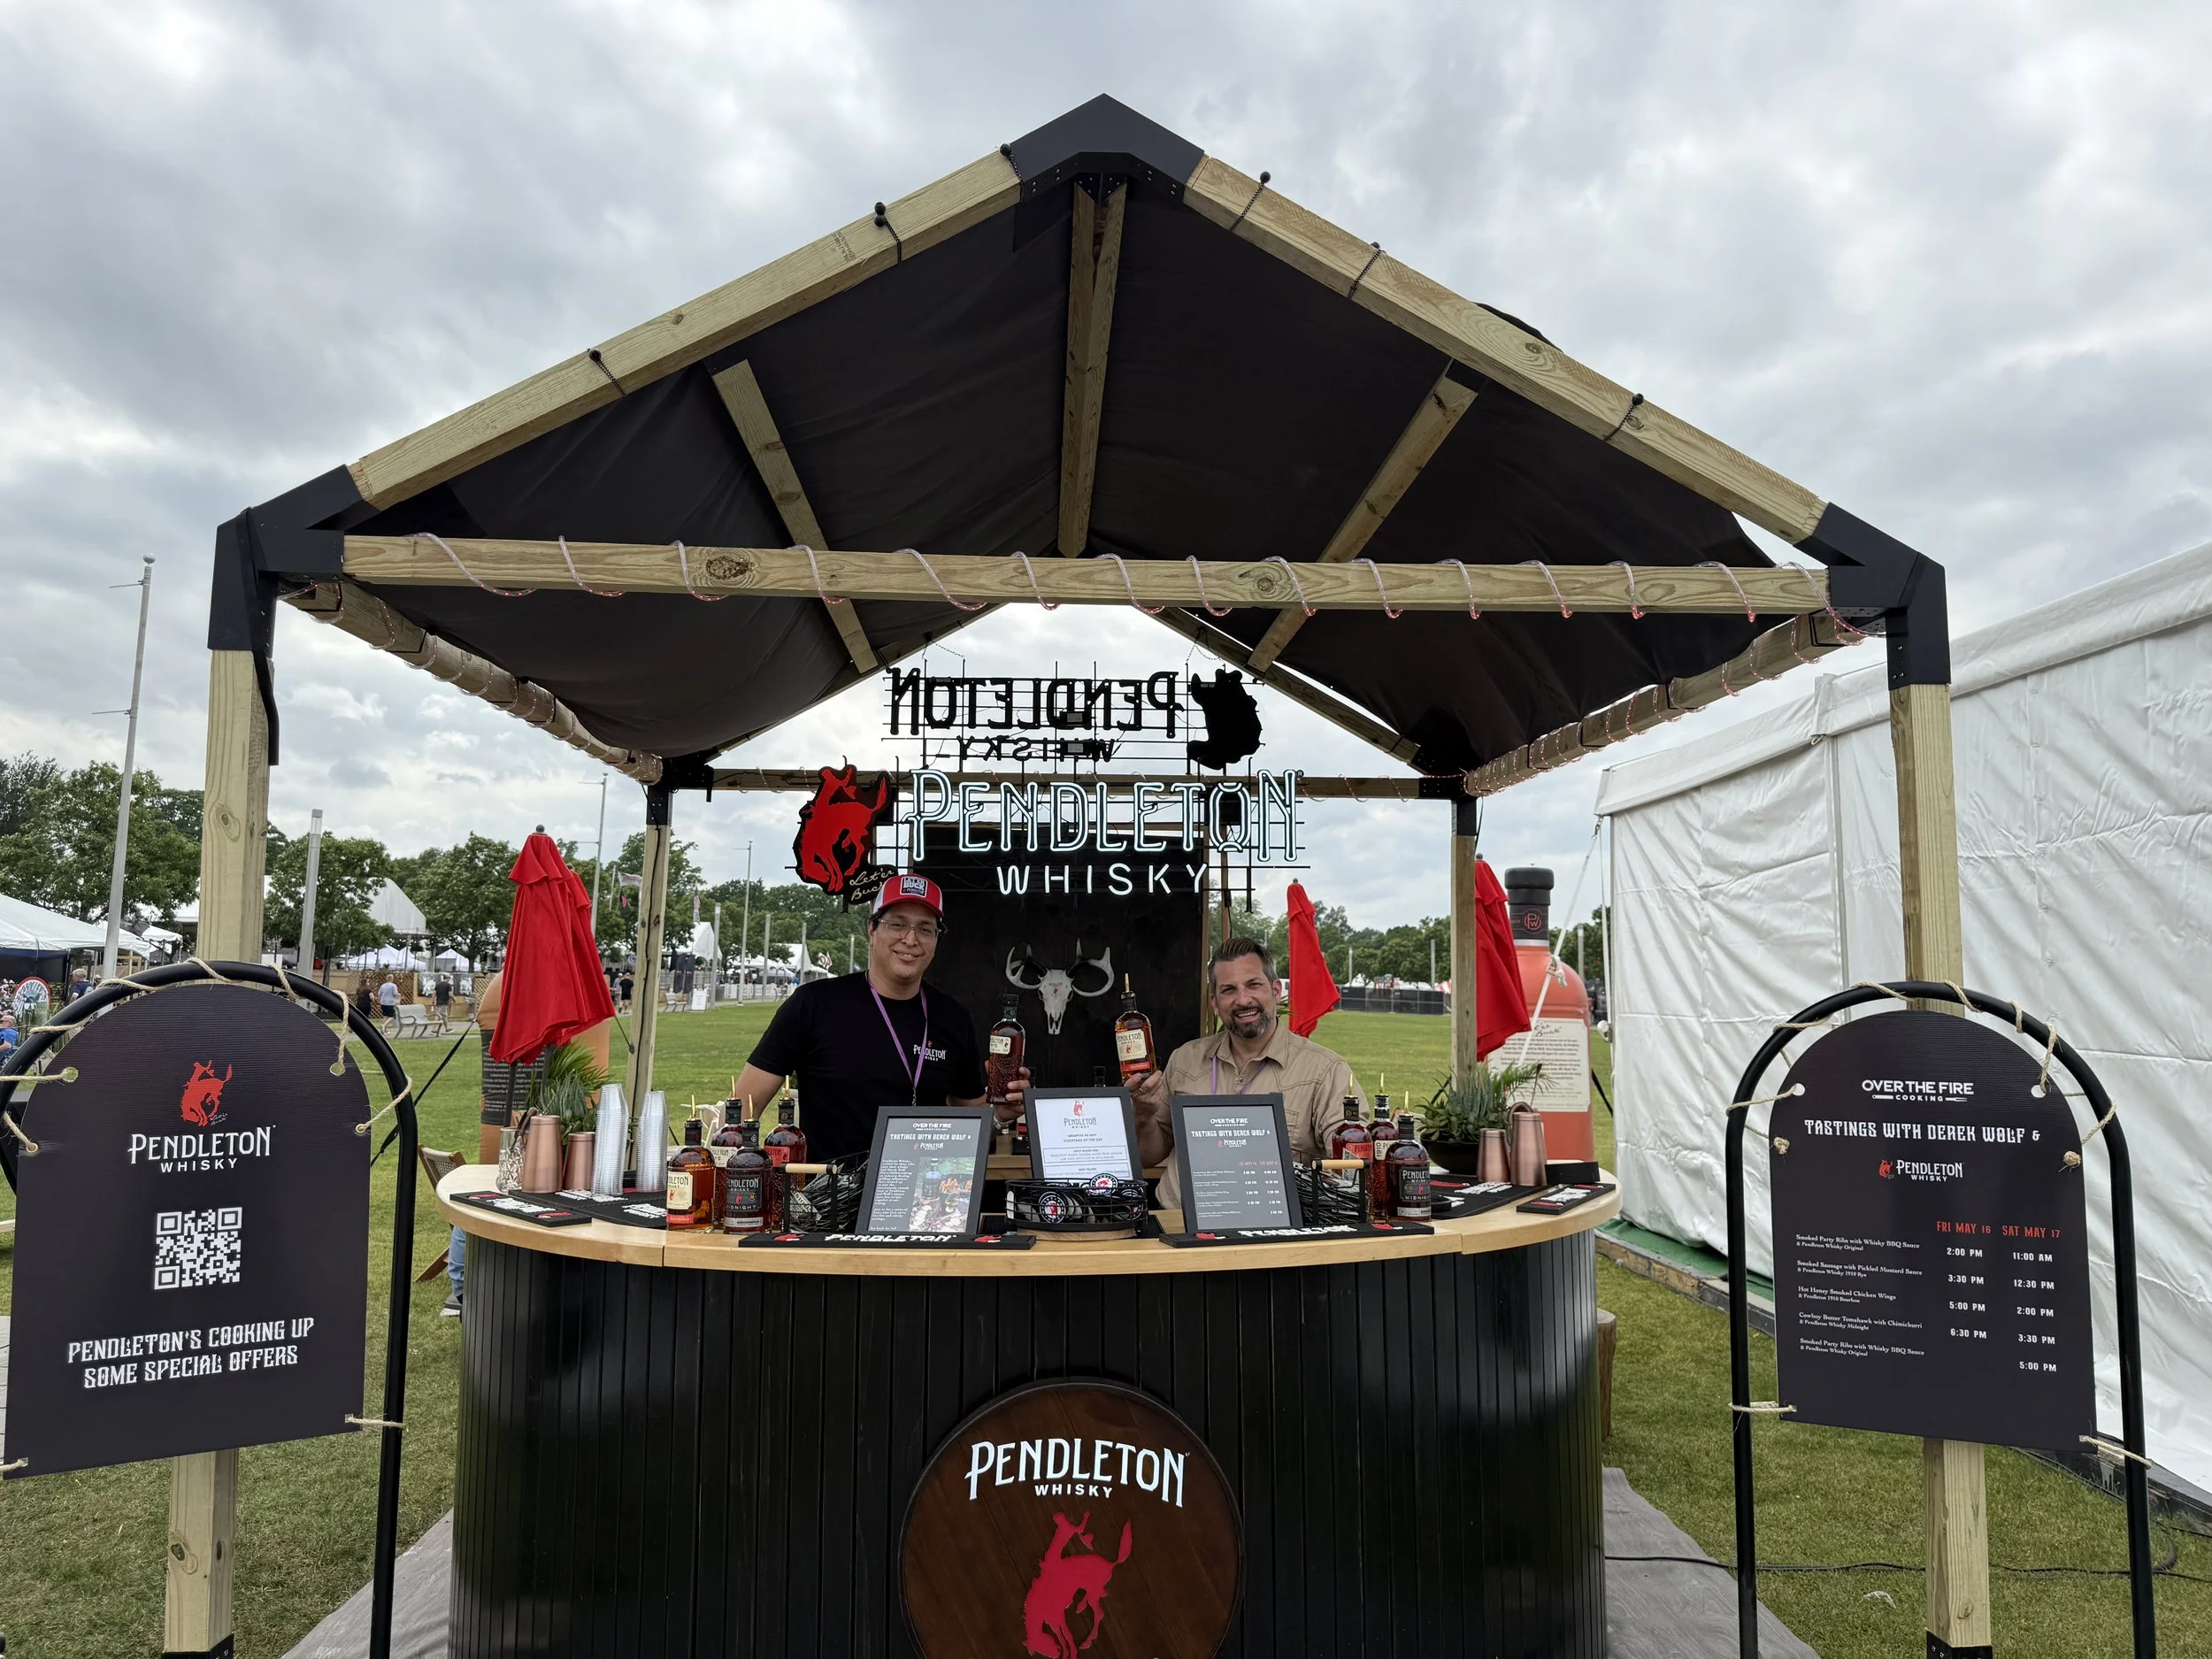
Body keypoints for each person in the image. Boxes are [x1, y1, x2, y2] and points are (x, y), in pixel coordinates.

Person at [731, 874, 1028, 1163]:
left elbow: (969, 1119)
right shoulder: (813, 1004)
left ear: (937, 939)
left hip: (922, 1199)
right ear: (872, 929)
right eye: (897, 924)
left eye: (925, 929)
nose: (910, 939)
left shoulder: (953, 1018)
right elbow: (742, 1107)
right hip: (827, 1202)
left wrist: (1000, 1109)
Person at [1129, 936, 1368, 1213]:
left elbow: (1353, 1170)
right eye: (1229, 990)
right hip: (1175, 1225)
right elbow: (1150, 1156)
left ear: (1276, 991)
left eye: (1253, 985)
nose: (1243, 1000)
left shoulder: (1325, 1071)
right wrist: (1143, 1116)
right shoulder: (1186, 1059)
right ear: (1215, 1002)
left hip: (1271, 1236)